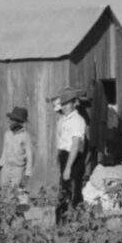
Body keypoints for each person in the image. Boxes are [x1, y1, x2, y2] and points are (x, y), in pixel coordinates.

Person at [55, 87, 87, 223]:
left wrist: (68, 167)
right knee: (64, 191)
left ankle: (76, 224)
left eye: (68, 103)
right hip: (64, 156)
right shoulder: (63, 119)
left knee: (74, 191)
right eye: (63, 103)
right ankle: (62, 224)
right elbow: (61, 141)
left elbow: (75, 145)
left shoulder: (77, 120)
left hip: (73, 158)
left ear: (74, 103)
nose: (65, 106)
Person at [0, 106, 33, 189]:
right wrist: (1, 164)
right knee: (4, 192)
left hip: (18, 169)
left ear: (19, 122)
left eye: (12, 120)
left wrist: (27, 174)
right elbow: (4, 150)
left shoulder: (25, 136)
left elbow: (29, 156)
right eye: (10, 119)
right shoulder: (7, 134)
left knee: (16, 193)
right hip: (6, 168)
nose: (9, 121)